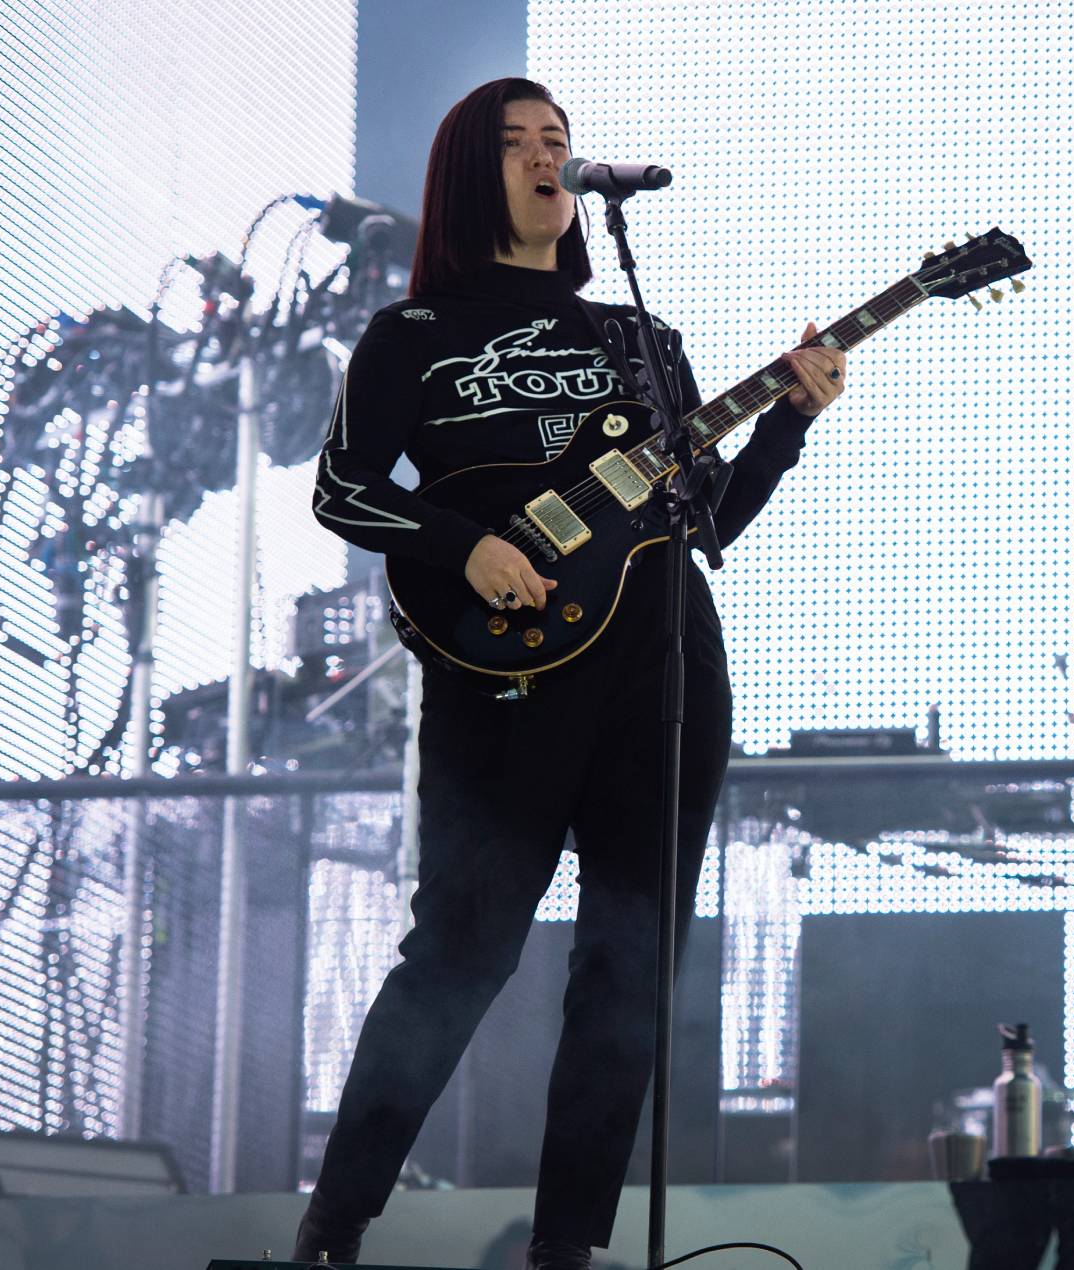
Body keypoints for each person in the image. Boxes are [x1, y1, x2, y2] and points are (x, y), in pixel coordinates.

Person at [294, 78, 847, 1270]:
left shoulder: (639, 343)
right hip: (501, 678)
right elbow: (342, 488)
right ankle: (332, 1228)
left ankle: (566, 1251)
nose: (547, 156)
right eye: (517, 143)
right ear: (467, 175)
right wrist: (464, 546)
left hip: (662, 667)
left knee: (628, 964)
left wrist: (787, 422)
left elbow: (707, 519)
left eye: (558, 139)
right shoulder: (413, 334)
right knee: (461, 947)